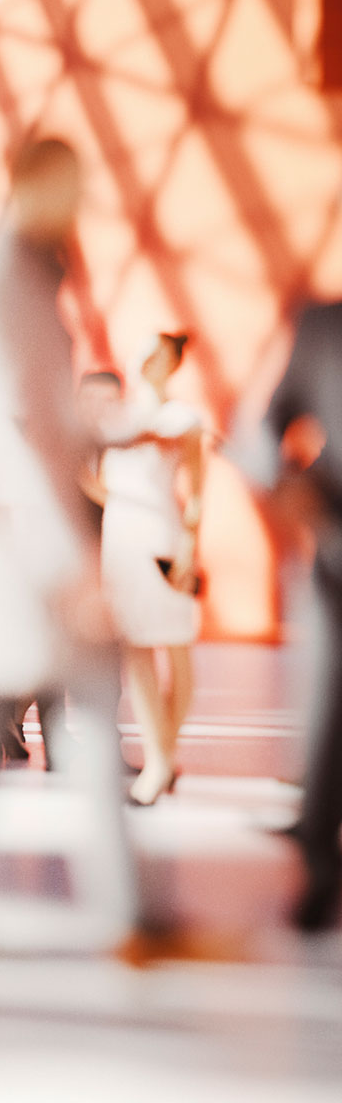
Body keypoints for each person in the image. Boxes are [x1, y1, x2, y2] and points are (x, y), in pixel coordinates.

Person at [0, 138, 183, 962]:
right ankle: (127, 919)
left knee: (6, 724)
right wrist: (73, 561)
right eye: (68, 188)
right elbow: (15, 433)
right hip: (31, 548)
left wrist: (103, 424)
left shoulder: (19, 277)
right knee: (89, 719)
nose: (77, 205)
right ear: (33, 185)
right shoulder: (11, 285)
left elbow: (31, 419)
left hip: (19, 547)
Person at [260, 300, 342, 931]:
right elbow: (260, 428)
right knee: (329, 697)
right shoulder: (322, 326)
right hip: (337, 548)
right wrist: (290, 482)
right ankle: (319, 858)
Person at [99, 333, 206, 805]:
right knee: (135, 648)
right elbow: (104, 483)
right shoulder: (118, 416)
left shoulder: (184, 419)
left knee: (175, 644)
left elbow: (197, 491)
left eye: (156, 354)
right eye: (140, 350)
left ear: (171, 364)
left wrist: (188, 544)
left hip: (161, 534)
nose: (144, 360)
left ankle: (162, 760)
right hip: (120, 533)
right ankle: (161, 761)